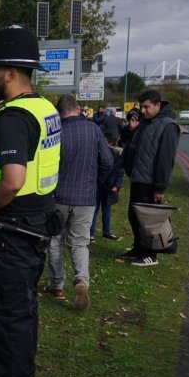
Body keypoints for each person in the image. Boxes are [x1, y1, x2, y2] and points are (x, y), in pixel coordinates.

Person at [0, 26, 61, 377]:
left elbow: (13, 179)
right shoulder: (45, 107)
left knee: (9, 310)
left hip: (11, 228)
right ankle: (10, 370)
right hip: (35, 224)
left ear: (9, 72)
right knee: (19, 306)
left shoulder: (12, 117)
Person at [45, 95, 112, 311]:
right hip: (85, 197)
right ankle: (82, 281)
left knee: (54, 241)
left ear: (59, 112)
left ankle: (57, 286)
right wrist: (95, 182)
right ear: (78, 109)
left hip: (58, 197)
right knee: (79, 243)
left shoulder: (56, 133)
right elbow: (108, 162)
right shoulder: (93, 130)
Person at [121, 91, 181, 266]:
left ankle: (150, 254)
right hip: (138, 178)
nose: (143, 110)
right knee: (134, 216)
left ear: (158, 105)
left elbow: (166, 158)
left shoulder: (168, 126)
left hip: (150, 182)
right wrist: (131, 129)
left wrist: (160, 187)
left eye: (146, 107)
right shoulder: (145, 123)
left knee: (149, 221)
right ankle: (138, 249)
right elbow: (128, 142)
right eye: (141, 106)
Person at [90, 137, 124, 243]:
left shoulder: (116, 155)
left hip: (109, 186)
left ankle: (106, 232)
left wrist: (117, 185)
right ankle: (91, 233)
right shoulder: (95, 153)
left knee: (106, 208)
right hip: (97, 185)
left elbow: (120, 171)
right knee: (94, 209)